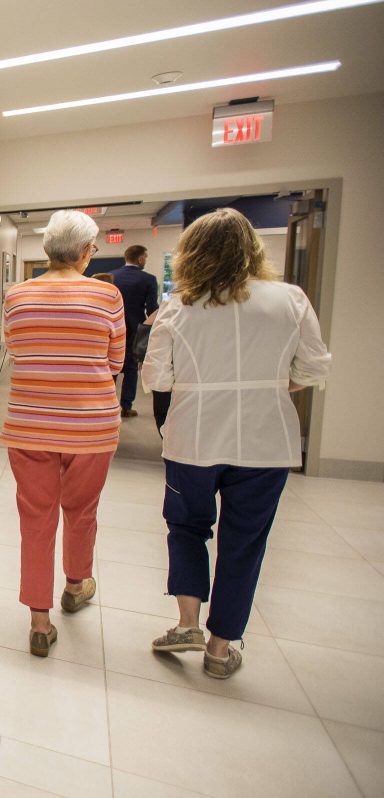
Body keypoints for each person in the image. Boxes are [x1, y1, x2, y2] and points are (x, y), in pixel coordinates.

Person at [142, 208, 330, 679]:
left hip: (194, 441)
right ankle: (221, 648)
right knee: (245, 543)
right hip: (266, 444)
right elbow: (313, 368)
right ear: (253, 250)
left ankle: (187, 623)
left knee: (187, 529)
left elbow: (157, 378)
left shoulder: (179, 306)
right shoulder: (290, 300)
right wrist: (265, 387)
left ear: (192, 252)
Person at [1, 210, 126, 658]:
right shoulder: (107, 297)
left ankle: (39, 621)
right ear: (86, 252)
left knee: (36, 519)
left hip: (30, 425)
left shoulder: (17, 296)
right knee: (81, 511)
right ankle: (75, 585)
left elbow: (16, 349)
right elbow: (115, 363)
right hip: (90, 427)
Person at [110, 245, 159, 417]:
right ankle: (126, 406)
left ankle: (109, 403)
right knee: (131, 367)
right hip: (135, 327)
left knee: (110, 365)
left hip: (112, 326)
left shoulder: (111, 276)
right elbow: (153, 308)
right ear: (140, 259)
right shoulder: (148, 279)